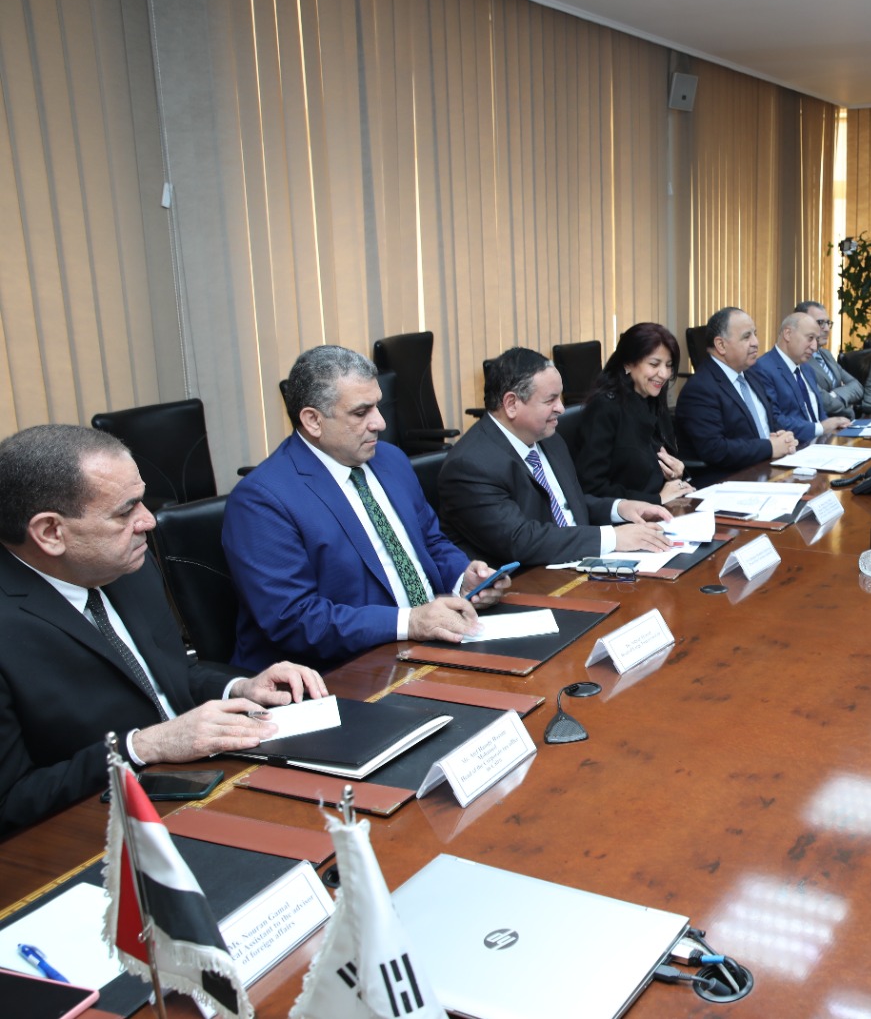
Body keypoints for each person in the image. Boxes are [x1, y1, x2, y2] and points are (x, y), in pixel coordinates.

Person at [0, 425, 328, 836]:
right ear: (51, 532)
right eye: (126, 512)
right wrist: (143, 746)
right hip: (102, 830)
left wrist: (240, 687)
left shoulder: (125, 565)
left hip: (211, 780)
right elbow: (10, 802)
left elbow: (166, 674)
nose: (149, 520)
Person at [224, 345, 511, 673]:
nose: (380, 423)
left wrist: (463, 579)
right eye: (361, 413)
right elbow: (296, 619)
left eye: (378, 406)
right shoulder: (262, 500)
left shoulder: (391, 459)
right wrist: (409, 622)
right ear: (313, 420)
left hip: (432, 645)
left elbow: (430, 542)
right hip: (340, 671)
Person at [440, 347, 675, 568]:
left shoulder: (549, 438)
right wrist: (613, 537)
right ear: (511, 404)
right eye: (550, 400)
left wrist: (619, 507)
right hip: (530, 582)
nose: (561, 408)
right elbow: (520, 540)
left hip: (576, 565)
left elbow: (565, 506)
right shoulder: (470, 465)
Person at [574, 324, 694, 504]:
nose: (664, 374)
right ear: (628, 363)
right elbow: (592, 488)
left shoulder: (653, 399)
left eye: (669, 365)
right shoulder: (605, 408)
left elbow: (660, 464)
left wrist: (677, 473)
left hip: (666, 507)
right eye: (654, 364)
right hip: (627, 515)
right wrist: (655, 499)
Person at [675, 307, 799, 474]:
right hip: (730, 478)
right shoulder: (700, 389)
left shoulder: (751, 374)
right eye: (746, 337)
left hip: (767, 470)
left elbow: (764, 425)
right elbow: (715, 449)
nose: (755, 342)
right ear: (721, 345)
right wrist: (769, 447)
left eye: (755, 334)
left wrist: (781, 437)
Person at [748, 312, 852, 445]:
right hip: (794, 447)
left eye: (816, 340)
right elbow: (774, 420)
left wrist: (834, 426)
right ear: (788, 334)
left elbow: (819, 415)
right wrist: (820, 428)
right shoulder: (762, 368)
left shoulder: (807, 369)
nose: (814, 347)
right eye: (810, 338)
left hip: (823, 443)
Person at [799, 301, 864, 417]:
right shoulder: (798, 358)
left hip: (840, 420)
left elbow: (857, 386)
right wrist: (846, 404)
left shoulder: (825, 354)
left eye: (828, 323)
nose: (827, 329)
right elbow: (822, 401)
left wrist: (835, 395)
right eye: (820, 323)